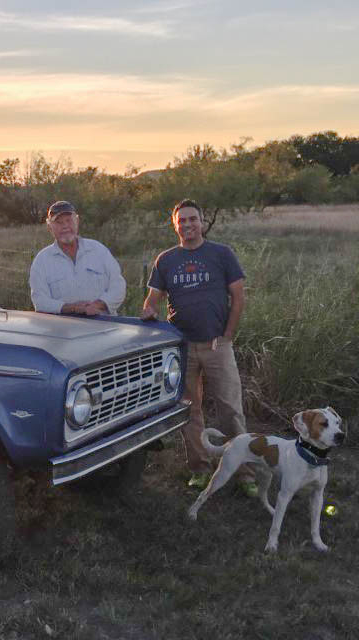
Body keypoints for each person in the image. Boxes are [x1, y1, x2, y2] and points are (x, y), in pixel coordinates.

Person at [141, 199, 258, 497]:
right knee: (189, 410)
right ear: (175, 225)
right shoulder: (166, 260)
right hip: (182, 347)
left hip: (217, 344)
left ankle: (245, 473)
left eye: (193, 219)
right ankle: (200, 470)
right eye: (182, 221)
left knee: (231, 409)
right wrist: (149, 311)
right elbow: (152, 300)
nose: (188, 225)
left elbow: (238, 297)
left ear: (202, 222)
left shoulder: (221, 254)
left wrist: (228, 334)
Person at [29, 200, 126, 316]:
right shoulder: (41, 261)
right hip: (62, 331)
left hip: (104, 327)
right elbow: (40, 301)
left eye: (69, 221)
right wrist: (73, 308)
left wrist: (97, 305)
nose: (65, 226)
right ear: (49, 227)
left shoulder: (99, 250)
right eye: (59, 222)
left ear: (77, 221)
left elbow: (118, 287)